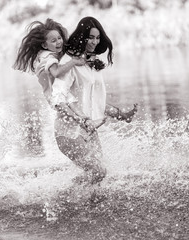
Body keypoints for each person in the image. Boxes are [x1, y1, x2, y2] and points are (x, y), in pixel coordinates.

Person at [53, 16, 138, 185]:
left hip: (89, 131)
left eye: (97, 38)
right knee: (98, 171)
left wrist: (121, 115)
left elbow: (94, 103)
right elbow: (57, 100)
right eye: (90, 37)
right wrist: (80, 120)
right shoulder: (69, 63)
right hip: (68, 132)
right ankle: (67, 197)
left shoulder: (93, 64)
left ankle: (81, 201)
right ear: (81, 36)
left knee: (99, 176)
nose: (94, 42)